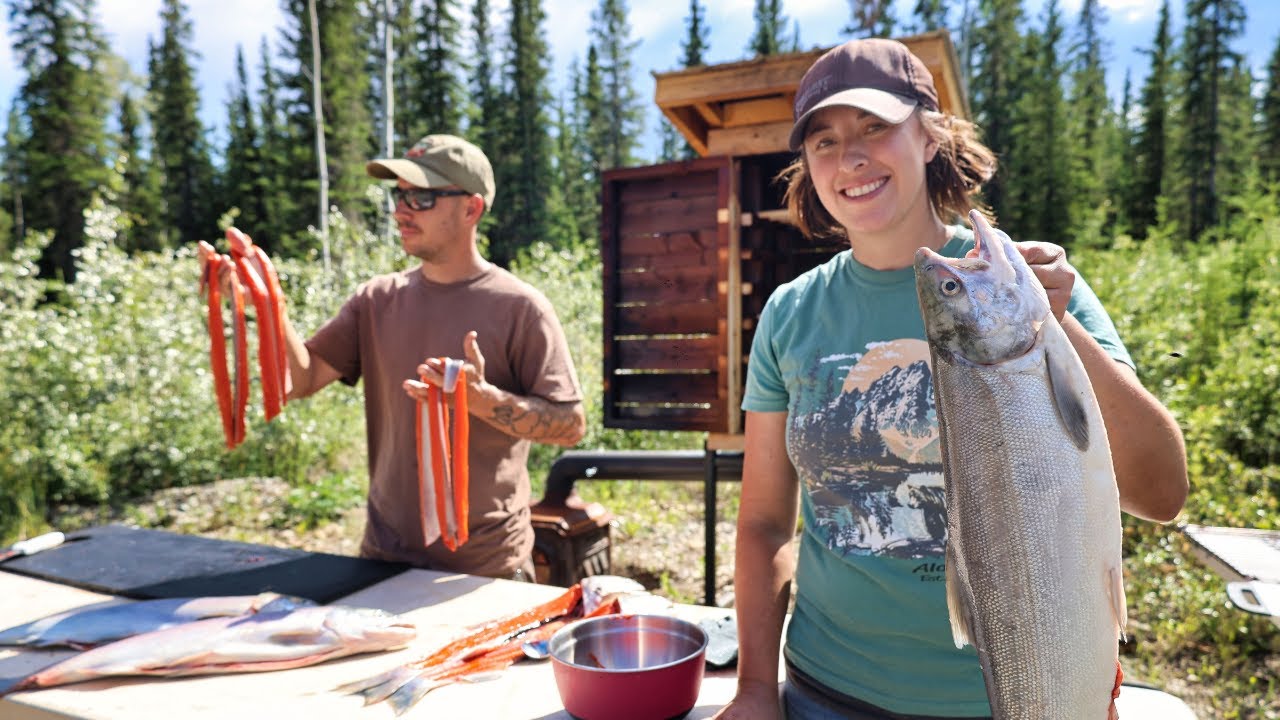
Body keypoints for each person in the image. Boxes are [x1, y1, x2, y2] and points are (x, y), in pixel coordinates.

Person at [712, 39, 1191, 719]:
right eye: (824, 140)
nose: (850, 157)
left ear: (931, 136)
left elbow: (1161, 491)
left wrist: (1058, 324)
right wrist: (756, 688)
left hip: (1024, 692)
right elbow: (763, 524)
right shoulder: (791, 313)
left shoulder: (1029, 284)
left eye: (875, 127)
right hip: (826, 691)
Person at [202, 134, 586, 581]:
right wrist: (268, 310)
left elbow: (570, 425)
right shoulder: (376, 299)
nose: (401, 210)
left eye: (421, 197)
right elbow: (302, 380)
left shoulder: (520, 307)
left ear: (471, 209)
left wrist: (481, 401)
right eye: (399, 195)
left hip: (484, 570)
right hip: (383, 559)